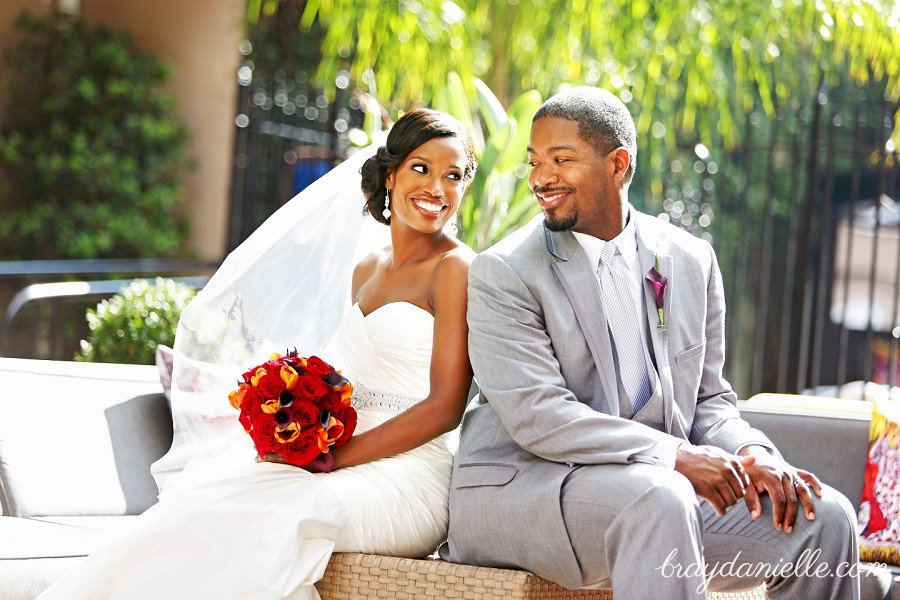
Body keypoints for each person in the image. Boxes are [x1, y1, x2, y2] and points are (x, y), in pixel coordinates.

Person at [37, 108, 477, 600]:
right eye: (422, 168)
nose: (437, 187)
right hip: (340, 456)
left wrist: (331, 457)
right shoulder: (366, 269)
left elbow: (445, 409)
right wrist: (299, 434)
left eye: (453, 176)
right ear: (391, 173)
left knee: (270, 517)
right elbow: (350, 380)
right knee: (197, 508)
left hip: (410, 475)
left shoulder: (456, 268)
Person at [440, 86, 860, 599]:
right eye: (535, 161)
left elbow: (709, 401)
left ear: (618, 164)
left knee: (824, 519)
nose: (540, 178)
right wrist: (678, 457)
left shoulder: (690, 260)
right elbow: (539, 417)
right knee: (660, 499)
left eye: (561, 159)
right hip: (527, 489)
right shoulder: (504, 272)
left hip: (651, 489)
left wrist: (755, 452)